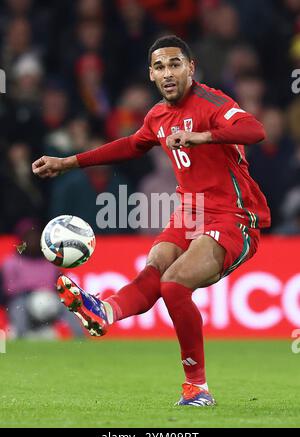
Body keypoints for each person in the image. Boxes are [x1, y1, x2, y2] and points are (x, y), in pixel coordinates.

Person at [32, 35, 270, 407]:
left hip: (232, 217)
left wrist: (202, 136)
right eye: (159, 67)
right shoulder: (157, 116)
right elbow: (130, 145)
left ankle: (197, 388)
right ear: (151, 75)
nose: (168, 73)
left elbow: (256, 130)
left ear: (190, 68)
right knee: (155, 269)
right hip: (189, 211)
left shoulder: (213, 103)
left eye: (175, 64)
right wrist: (67, 162)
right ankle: (105, 311)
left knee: (174, 285)